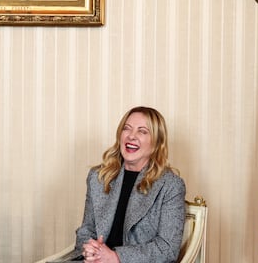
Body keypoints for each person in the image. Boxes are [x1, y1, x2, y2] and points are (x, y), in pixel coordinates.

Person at [75, 106, 185, 263]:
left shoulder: (170, 185)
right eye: (127, 129)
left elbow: (167, 248)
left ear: (156, 142)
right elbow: (86, 230)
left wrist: (116, 257)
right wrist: (89, 250)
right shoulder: (98, 177)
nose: (131, 136)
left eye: (142, 131)